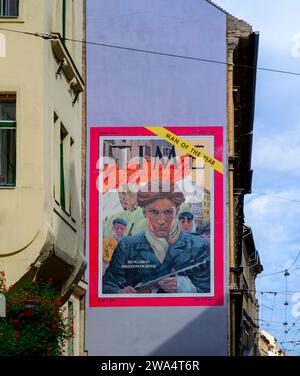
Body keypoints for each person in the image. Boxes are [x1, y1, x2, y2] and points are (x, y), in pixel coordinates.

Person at [103, 183, 210, 294]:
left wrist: (187, 288)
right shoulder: (126, 246)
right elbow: (108, 286)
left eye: (168, 212)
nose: (161, 220)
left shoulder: (198, 245)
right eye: (154, 212)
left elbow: (210, 292)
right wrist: (119, 293)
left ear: (177, 211)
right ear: (144, 212)